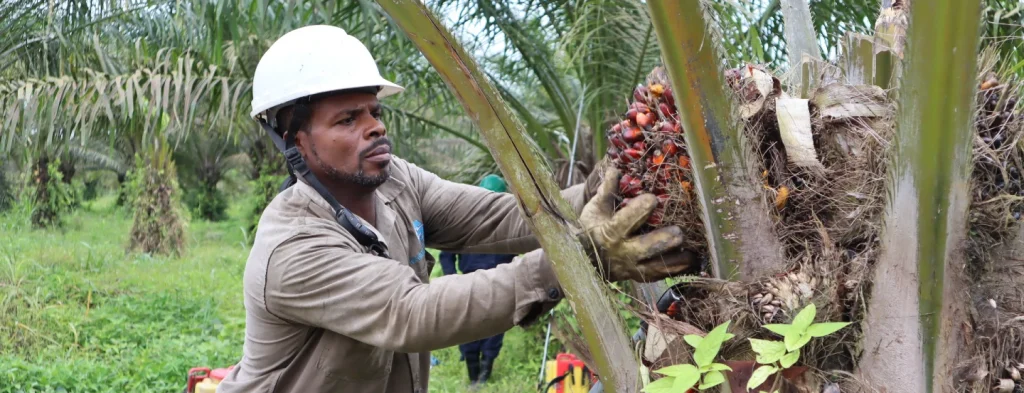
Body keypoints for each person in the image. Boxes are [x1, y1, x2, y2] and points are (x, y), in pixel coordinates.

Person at [216, 24, 696, 393]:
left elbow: (502, 217)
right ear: (294, 140)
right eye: (347, 119)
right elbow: (412, 313)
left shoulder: (396, 182)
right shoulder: (294, 246)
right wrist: (582, 259)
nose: (375, 128)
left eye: (374, 112)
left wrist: (618, 178)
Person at [437, 174, 517, 386]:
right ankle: (473, 375)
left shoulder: (509, 224)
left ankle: (485, 374)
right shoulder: (463, 222)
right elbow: (446, 254)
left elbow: (518, 252)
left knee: (495, 329)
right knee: (469, 328)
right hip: (470, 283)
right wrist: (451, 278)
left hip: (500, 283)